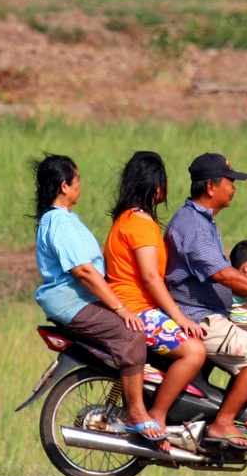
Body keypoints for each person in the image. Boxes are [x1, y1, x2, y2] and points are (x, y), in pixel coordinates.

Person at [30, 154, 167, 447]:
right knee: (131, 335)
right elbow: (84, 272)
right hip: (72, 303)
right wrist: (120, 307)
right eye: (77, 179)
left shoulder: (66, 219)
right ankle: (135, 413)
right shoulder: (58, 222)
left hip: (82, 300)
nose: (81, 184)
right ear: (64, 186)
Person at [164, 153, 247, 451]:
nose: (234, 188)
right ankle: (223, 423)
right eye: (230, 182)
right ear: (211, 187)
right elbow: (223, 275)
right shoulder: (193, 226)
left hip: (210, 314)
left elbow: (229, 276)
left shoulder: (202, 221)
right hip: (200, 318)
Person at [102, 152, 209, 431]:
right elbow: (150, 277)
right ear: (156, 186)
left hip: (133, 304)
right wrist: (179, 317)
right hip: (138, 309)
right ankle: (157, 415)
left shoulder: (125, 219)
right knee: (194, 352)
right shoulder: (140, 223)